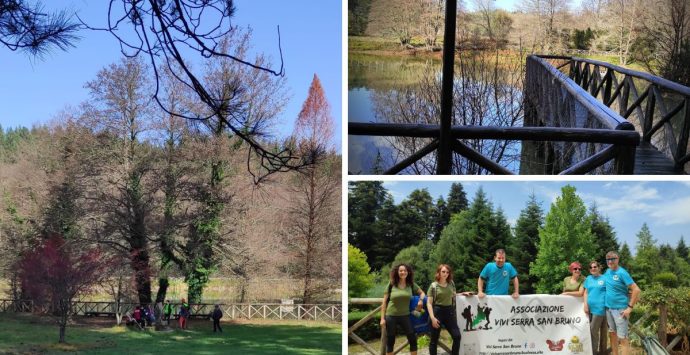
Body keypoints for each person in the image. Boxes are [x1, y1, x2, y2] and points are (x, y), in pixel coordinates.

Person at [380, 263, 425, 355]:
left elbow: (422, 293)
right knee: (391, 341)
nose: (403, 272)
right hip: (391, 316)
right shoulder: (391, 284)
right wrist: (382, 318)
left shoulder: (411, 284)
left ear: (408, 272)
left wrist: (420, 301)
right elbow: (384, 302)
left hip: (405, 315)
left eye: (405, 270)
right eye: (401, 270)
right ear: (397, 272)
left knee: (412, 339)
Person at [604, 251, 641, 355]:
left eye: (612, 259)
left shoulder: (622, 272)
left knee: (623, 338)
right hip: (609, 309)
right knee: (612, 334)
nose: (610, 261)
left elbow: (636, 290)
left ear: (618, 259)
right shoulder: (607, 271)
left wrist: (629, 308)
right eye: (608, 259)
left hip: (620, 310)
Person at [426, 264, 461, 355]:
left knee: (457, 336)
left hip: (449, 312)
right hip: (437, 313)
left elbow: (454, 295)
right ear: (439, 272)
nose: (445, 274)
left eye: (447, 272)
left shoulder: (451, 283)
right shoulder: (433, 286)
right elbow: (429, 303)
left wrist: (464, 294)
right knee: (434, 340)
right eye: (443, 271)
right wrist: (432, 318)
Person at [584, 260, 607, 355]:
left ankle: (593, 352)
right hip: (589, 309)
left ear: (599, 268)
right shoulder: (588, 279)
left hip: (600, 309)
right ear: (589, 270)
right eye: (591, 267)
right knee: (589, 330)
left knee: (593, 330)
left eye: (595, 267)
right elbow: (586, 292)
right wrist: (585, 304)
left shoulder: (604, 278)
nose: (593, 268)